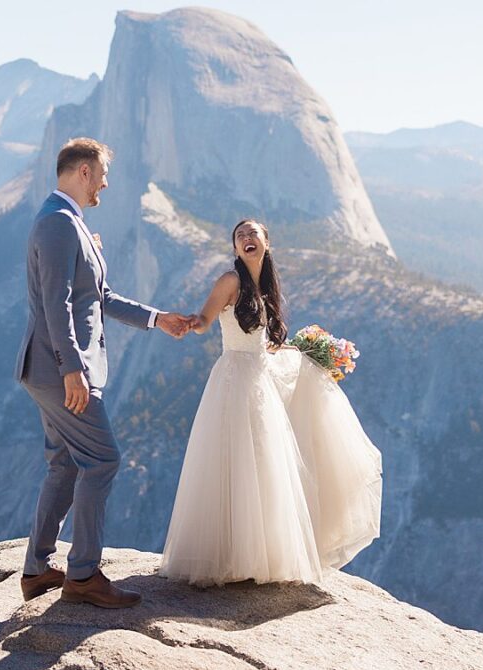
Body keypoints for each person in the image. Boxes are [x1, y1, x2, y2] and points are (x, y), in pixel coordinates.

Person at [15, 137, 194, 608]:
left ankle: (36, 569)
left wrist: (158, 319)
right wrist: (72, 368)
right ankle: (82, 575)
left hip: (50, 367)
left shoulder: (68, 222)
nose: (106, 184)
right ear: (83, 172)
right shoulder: (58, 223)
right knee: (103, 460)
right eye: (102, 174)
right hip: (61, 369)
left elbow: (100, 297)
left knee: (66, 463)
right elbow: (55, 304)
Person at [158, 218, 382, 586]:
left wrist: (303, 353)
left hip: (260, 378)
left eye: (253, 234)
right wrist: (189, 323)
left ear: (267, 243)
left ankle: (258, 558)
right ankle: (228, 556)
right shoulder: (229, 281)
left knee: (264, 462)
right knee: (235, 460)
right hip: (234, 379)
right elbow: (206, 318)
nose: (246, 239)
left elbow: (263, 343)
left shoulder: (265, 287)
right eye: (240, 236)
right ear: (235, 248)